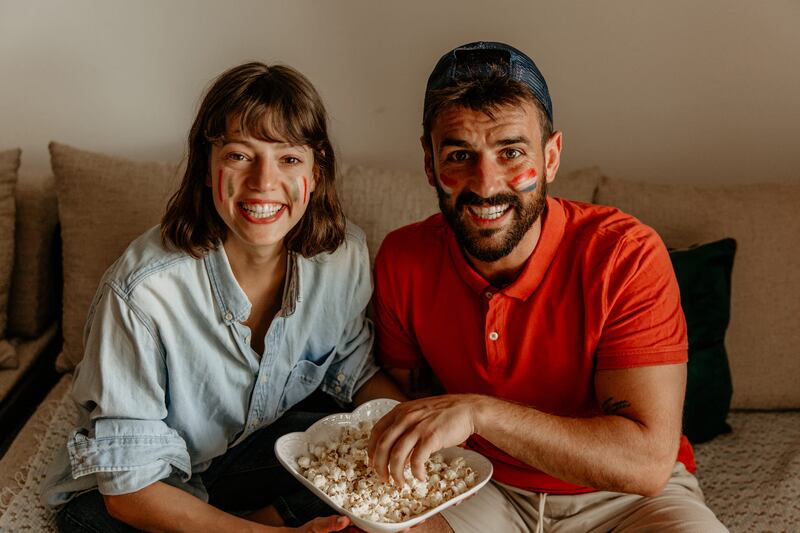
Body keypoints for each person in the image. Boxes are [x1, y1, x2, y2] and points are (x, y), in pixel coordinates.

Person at [368, 42, 728, 532]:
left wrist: (480, 414)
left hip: (622, 499)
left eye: (511, 152)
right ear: (430, 164)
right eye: (459, 155)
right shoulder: (402, 258)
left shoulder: (626, 254)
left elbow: (644, 465)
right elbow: (404, 395)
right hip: (475, 484)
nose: (486, 183)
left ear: (552, 155)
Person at [41, 62, 402, 532]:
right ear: (208, 168)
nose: (263, 182)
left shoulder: (342, 256)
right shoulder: (142, 291)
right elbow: (129, 494)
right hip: (145, 488)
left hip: (241, 457)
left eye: (288, 159)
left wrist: (417, 427)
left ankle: (243, 521)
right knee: (90, 523)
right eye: (239, 155)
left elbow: (353, 373)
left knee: (368, 446)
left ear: (315, 171)